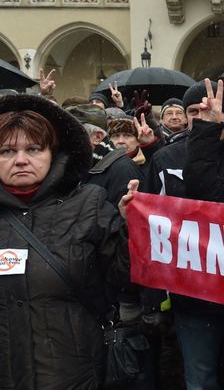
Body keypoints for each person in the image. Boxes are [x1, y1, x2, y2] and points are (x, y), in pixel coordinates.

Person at [0, 93, 130, 389]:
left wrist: (130, 228)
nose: (20, 160)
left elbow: (125, 277)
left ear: (52, 153)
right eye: (7, 151)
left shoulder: (89, 203)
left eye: (33, 149)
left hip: (71, 374)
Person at [146, 79, 224, 390]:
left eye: (209, 109)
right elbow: (153, 228)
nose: (201, 116)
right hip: (193, 293)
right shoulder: (166, 159)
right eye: (194, 110)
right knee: (200, 379)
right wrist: (157, 298)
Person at [65, 103, 145, 207]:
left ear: (97, 137)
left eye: (71, 133)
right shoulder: (76, 166)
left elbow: (126, 220)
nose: (63, 140)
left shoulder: (124, 171)